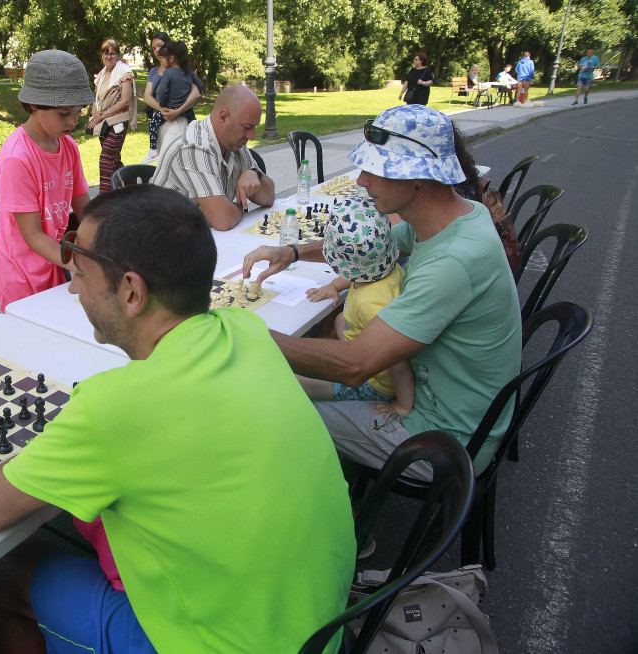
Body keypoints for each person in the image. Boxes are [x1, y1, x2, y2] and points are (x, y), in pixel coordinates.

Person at [0, 184, 355, 654]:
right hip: (324, 628)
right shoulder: (247, 330)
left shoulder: (111, 408)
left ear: (131, 291)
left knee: (13, 571)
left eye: (81, 274)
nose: (72, 287)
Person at [242, 104, 521, 478]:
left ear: (417, 179)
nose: (361, 181)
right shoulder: (457, 214)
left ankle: (347, 529)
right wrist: (292, 252)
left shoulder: (453, 262)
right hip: (447, 403)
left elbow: (356, 365)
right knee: (312, 362)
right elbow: (376, 243)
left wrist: (245, 334)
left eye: (375, 169)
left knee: (277, 408)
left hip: (445, 439)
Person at [0, 49, 95, 312]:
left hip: (54, 264)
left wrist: (105, 240)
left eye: (78, 112)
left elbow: (85, 209)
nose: (73, 121)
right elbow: (33, 235)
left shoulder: (68, 147)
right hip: (21, 277)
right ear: (35, 105)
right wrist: (79, 263)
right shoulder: (17, 158)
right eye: (64, 114)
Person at [303, 197, 414, 417]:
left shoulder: (372, 305)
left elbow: (398, 363)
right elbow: (361, 271)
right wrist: (334, 285)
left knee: (294, 379)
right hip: (371, 347)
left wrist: (402, 405)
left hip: (372, 381)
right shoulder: (386, 267)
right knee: (339, 320)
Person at [151, 85, 275, 231]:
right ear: (223, 117)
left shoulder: (234, 144)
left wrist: (256, 176)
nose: (251, 135)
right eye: (247, 127)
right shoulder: (194, 146)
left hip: (197, 236)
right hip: (163, 241)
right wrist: (239, 208)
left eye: (254, 127)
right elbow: (223, 220)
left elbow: (269, 197)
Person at [141, 34, 203, 164]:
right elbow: (147, 96)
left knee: (170, 162)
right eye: (153, 48)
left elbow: (196, 94)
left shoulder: (183, 71)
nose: (157, 50)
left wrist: (176, 111)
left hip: (177, 121)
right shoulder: (153, 72)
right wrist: (163, 109)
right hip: (161, 118)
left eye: (160, 46)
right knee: (163, 162)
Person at [89, 39, 137, 193]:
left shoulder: (124, 73)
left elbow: (125, 101)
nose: (109, 56)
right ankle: (129, 189)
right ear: (101, 55)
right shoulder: (102, 75)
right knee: (114, 161)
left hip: (118, 121)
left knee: (106, 159)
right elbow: (96, 99)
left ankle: (105, 197)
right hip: (103, 123)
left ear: (118, 55)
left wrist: (104, 114)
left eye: (112, 53)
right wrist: (96, 114)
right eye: (106, 53)